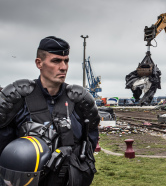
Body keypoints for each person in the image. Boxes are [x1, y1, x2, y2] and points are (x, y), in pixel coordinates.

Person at [0, 36, 100, 186]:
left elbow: (89, 141)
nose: (63, 67)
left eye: (66, 61)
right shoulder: (17, 99)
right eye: (56, 61)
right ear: (39, 63)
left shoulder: (80, 101)